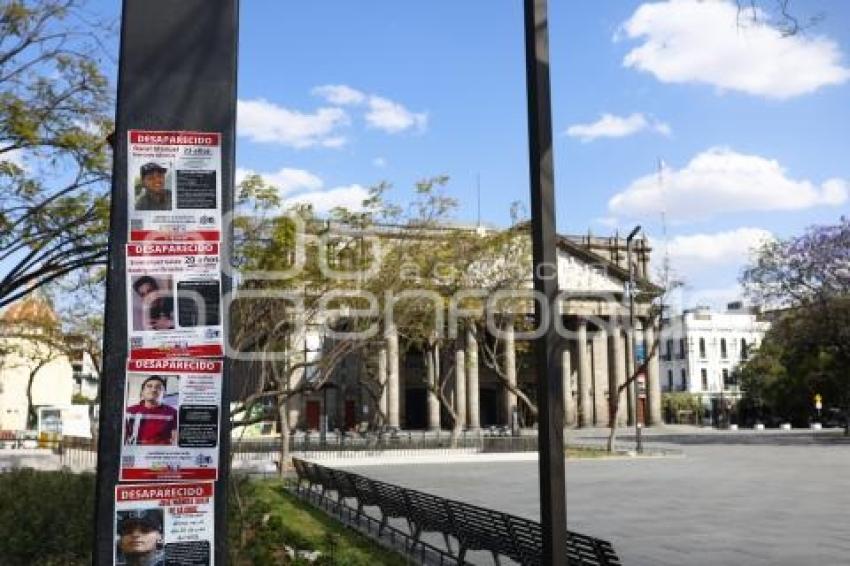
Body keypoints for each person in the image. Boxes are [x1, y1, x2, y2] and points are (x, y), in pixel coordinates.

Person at [125, 375, 178, 445]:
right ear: (142, 392)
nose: (153, 390)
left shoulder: (173, 412)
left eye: (158, 387)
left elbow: (175, 440)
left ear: (164, 393)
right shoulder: (129, 411)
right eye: (149, 386)